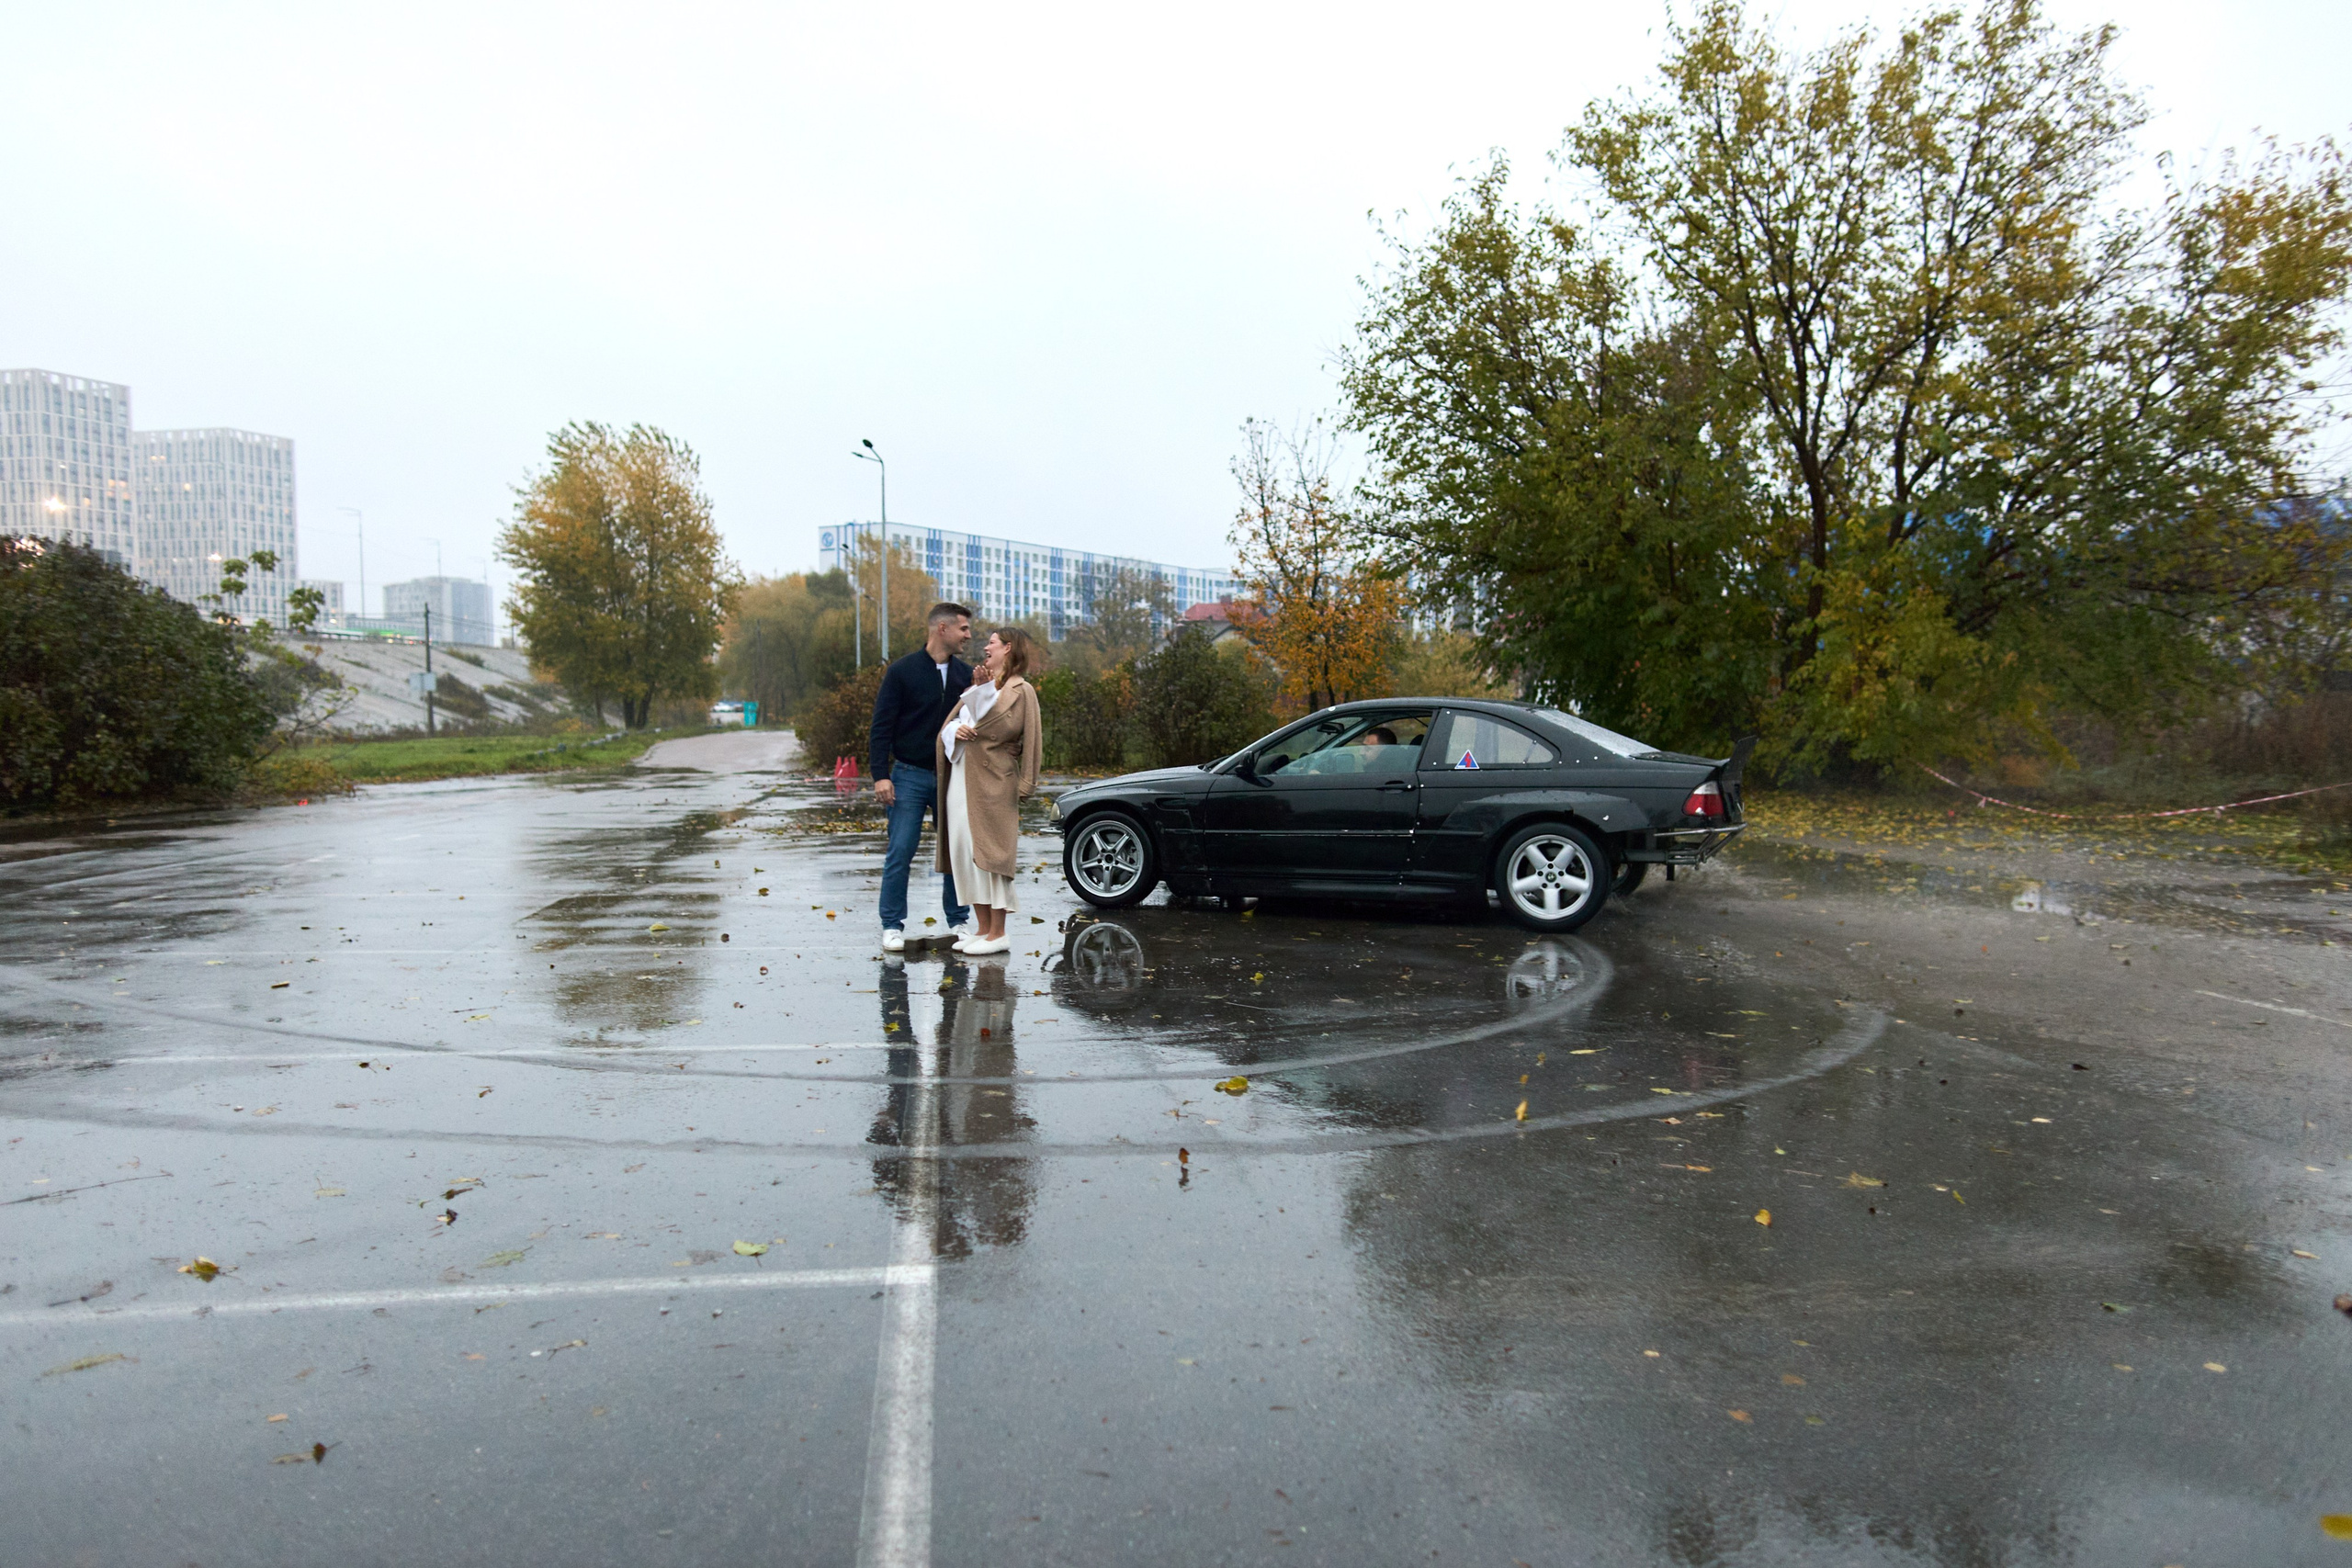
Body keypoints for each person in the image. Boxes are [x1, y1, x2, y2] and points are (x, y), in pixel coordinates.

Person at [871, 603, 975, 953]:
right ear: (941, 629)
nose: (968, 635)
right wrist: (880, 776)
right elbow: (881, 726)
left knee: (956, 850)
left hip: (952, 775)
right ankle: (891, 926)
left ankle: (959, 922)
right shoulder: (902, 671)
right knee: (901, 849)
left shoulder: (966, 676)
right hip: (909, 775)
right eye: (963, 628)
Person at [935, 626, 1041, 956]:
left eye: (992, 644)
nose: (985, 648)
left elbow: (1033, 740)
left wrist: (1027, 783)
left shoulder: (1022, 691)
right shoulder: (978, 687)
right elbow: (948, 729)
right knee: (966, 851)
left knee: (993, 854)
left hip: (996, 783)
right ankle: (982, 928)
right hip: (962, 779)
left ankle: (999, 932)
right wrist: (958, 727)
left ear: (1008, 648)